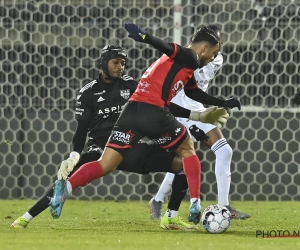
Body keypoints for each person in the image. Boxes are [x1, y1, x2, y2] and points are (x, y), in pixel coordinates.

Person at [11, 44, 227, 229]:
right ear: (104, 62)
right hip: (100, 148)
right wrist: (74, 155)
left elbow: (162, 107)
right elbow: (81, 130)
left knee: (181, 162)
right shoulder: (88, 93)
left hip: (131, 145)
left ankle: (170, 217)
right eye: (115, 62)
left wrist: (194, 120)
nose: (120, 67)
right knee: (65, 178)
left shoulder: (132, 85)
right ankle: (25, 218)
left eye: (122, 63)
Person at [48, 23, 241, 226]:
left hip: (130, 111)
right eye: (214, 52)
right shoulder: (190, 56)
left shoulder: (184, 65)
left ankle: (66, 188)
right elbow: (167, 46)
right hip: (154, 111)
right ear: (204, 48)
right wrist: (145, 36)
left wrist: (222, 102)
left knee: (105, 164)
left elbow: (192, 91)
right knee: (187, 149)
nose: (213, 58)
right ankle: (195, 203)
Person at [149, 25, 251, 222]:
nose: (219, 45)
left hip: (196, 105)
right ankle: (159, 200)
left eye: (220, 41)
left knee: (218, 152)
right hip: (178, 106)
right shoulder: (184, 57)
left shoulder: (217, 58)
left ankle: (223, 206)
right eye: (216, 41)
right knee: (188, 156)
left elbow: (196, 88)